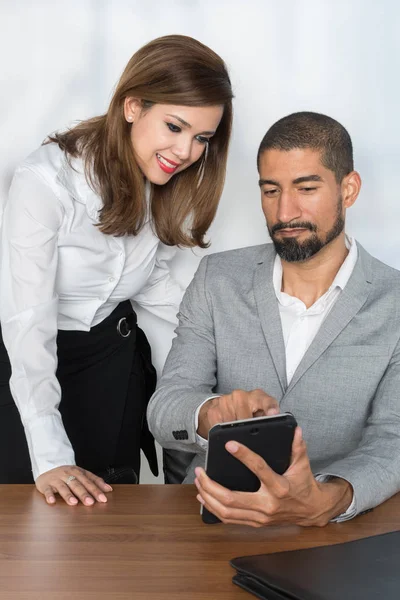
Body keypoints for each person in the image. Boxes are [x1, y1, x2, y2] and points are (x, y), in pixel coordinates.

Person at [0, 34, 233, 506]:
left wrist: (226, 358)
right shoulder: (43, 183)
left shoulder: (160, 182)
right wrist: (49, 456)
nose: (187, 151)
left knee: (109, 528)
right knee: (25, 526)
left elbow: (154, 287)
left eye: (202, 138)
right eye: (174, 126)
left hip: (111, 365)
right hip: (24, 365)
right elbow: (29, 324)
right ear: (132, 107)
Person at [148, 111, 400, 527]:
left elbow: (393, 438)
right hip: (214, 527)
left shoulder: (394, 302)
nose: (285, 212)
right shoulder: (217, 278)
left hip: (336, 533)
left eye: (306, 188)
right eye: (270, 190)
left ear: (348, 189)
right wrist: (210, 413)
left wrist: (331, 499)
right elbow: (165, 406)